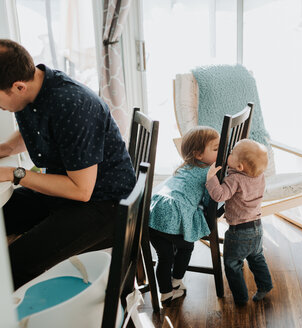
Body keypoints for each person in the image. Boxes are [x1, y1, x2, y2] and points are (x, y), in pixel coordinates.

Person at [0, 39, 136, 289]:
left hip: (105, 205)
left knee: (11, 266)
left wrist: (13, 173)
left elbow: (80, 191)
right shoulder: (34, 90)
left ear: (18, 86)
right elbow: (31, 132)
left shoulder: (71, 104)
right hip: (66, 192)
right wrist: (5, 150)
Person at [148, 126, 219, 304]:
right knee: (186, 247)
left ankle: (165, 293)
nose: (221, 152)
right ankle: (176, 282)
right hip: (174, 213)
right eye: (216, 149)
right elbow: (210, 199)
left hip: (153, 211)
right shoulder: (208, 173)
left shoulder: (183, 166)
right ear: (198, 155)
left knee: (164, 257)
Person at [206, 139, 273, 305]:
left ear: (240, 167)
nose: (228, 154)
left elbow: (220, 195)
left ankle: (241, 298)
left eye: (231, 153)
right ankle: (265, 285)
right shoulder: (260, 176)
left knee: (232, 264)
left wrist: (211, 178)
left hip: (238, 233)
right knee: (257, 258)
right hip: (257, 227)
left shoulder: (235, 179)